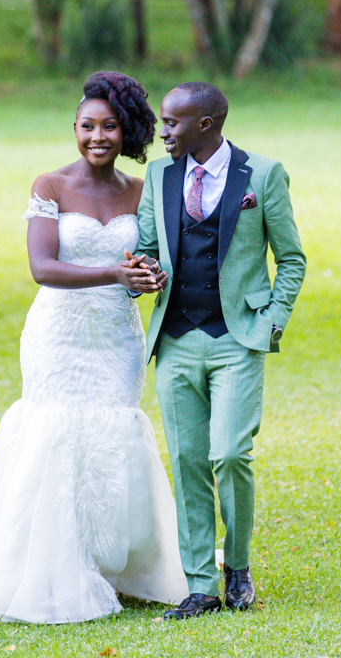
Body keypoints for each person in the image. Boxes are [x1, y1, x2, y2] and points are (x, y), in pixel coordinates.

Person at [0, 71, 189, 623]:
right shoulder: (50, 187)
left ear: (127, 130)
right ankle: (48, 563)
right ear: (75, 128)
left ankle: (112, 560)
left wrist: (148, 274)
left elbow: (153, 255)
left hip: (116, 338)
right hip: (59, 337)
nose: (97, 137)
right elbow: (43, 268)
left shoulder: (143, 191)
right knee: (54, 431)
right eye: (87, 126)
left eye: (109, 127)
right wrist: (114, 272)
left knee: (110, 433)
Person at [128, 81, 306, 619]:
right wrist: (143, 272)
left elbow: (292, 258)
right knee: (187, 462)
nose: (162, 132)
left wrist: (271, 321)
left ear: (206, 124)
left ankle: (240, 567)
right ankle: (201, 584)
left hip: (237, 338)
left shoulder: (264, 175)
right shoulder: (158, 176)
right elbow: (146, 246)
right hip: (177, 338)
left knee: (229, 453)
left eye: (172, 123)